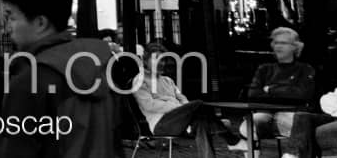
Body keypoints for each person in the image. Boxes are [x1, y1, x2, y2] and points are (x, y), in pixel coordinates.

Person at [0, 0, 117, 158]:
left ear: (40, 23)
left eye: (11, 17)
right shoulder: (102, 69)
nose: (6, 28)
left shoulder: (29, 82)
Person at [132, 38, 241, 158]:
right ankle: (231, 139)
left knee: (201, 122)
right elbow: (149, 105)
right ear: (146, 60)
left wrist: (185, 110)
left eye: (163, 60)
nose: (161, 63)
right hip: (161, 124)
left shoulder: (168, 80)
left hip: (180, 121)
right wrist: (180, 108)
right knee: (198, 104)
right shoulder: (140, 80)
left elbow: (181, 97)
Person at [229, 27, 317, 157]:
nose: (278, 46)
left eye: (283, 43)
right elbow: (253, 94)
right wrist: (286, 89)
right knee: (249, 125)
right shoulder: (264, 69)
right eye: (276, 43)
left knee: (302, 125)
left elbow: (302, 94)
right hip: (265, 114)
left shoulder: (305, 69)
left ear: (295, 47)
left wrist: (270, 89)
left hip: (292, 114)